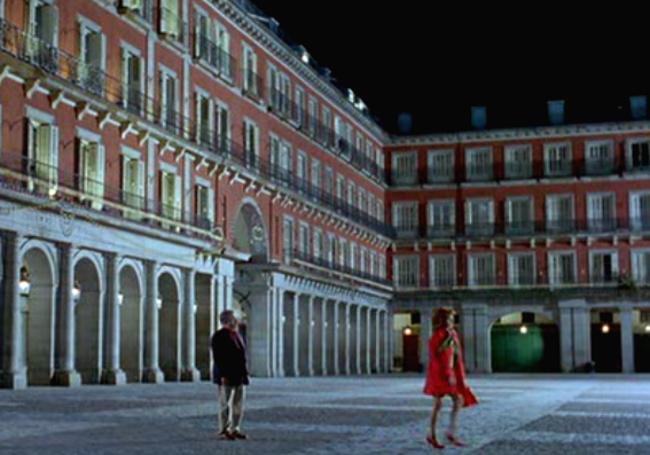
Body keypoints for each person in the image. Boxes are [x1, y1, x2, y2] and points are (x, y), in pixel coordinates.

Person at [423, 307, 478, 449]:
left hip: (450, 374)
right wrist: (447, 375)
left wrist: (460, 376)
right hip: (439, 374)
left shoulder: (452, 334)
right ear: (441, 320)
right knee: (438, 404)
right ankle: (434, 434)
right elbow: (436, 358)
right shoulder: (437, 336)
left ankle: (449, 432)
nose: (451, 322)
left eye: (452, 319)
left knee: (457, 399)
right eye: (448, 319)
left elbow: (456, 357)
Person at [211, 310, 249, 441]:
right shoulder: (218, 336)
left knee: (238, 403)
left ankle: (235, 428)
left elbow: (242, 355)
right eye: (234, 319)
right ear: (227, 321)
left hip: (239, 375)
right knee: (224, 404)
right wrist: (222, 375)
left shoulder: (237, 334)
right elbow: (218, 358)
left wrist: (244, 374)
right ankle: (224, 429)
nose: (236, 321)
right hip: (225, 375)